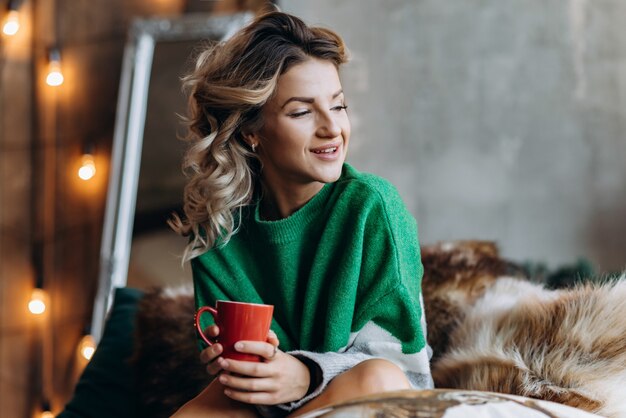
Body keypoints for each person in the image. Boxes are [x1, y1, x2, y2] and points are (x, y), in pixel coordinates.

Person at [170, 9, 433, 418]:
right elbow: (246, 373)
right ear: (249, 131)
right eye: (302, 112)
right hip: (271, 407)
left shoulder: (372, 206)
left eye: (339, 105)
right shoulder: (218, 227)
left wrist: (309, 375)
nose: (332, 128)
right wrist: (232, 365)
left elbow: (401, 370)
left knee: (376, 378)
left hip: (373, 403)